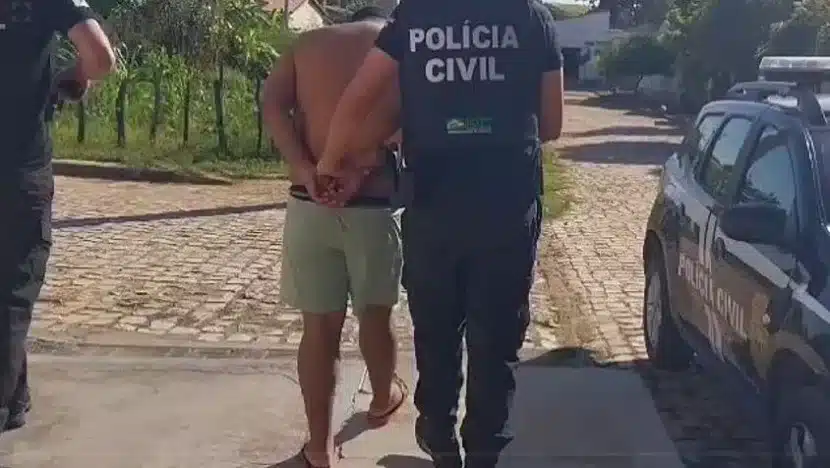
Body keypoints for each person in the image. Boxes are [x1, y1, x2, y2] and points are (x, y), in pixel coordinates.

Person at [317, 0, 564, 466]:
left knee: (436, 326)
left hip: (434, 205)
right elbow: (551, 124)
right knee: (497, 333)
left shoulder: (415, 15)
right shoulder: (531, 17)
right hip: (507, 207)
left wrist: (331, 162)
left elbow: (359, 95)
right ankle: (485, 446)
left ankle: (438, 433)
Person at [262, 6, 407, 468]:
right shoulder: (400, 43)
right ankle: (382, 398)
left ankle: (320, 448)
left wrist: (305, 168)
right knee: (375, 315)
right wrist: (364, 165)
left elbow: (271, 103)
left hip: (309, 200)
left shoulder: (308, 43)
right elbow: (415, 121)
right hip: (373, 205)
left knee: (318, 328)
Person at [0, 0, 115, 432]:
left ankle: (14, 397)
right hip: (20, 167)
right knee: (13, 289)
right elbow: (100, 57)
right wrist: (78, 75)